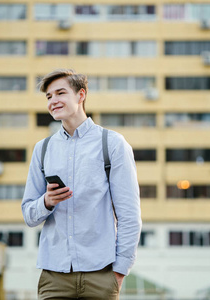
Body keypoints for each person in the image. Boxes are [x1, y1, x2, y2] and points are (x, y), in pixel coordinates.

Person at [21, 68, 142, 299]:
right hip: (54, 275)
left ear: (81, 95)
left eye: (60, 93)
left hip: (101, 273)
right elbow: (28, 215)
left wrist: (120, 271)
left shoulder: (113, 144)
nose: (53, 101)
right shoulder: (42, 149)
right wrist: (46, 202)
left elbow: (129, 214)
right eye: (49, 96)